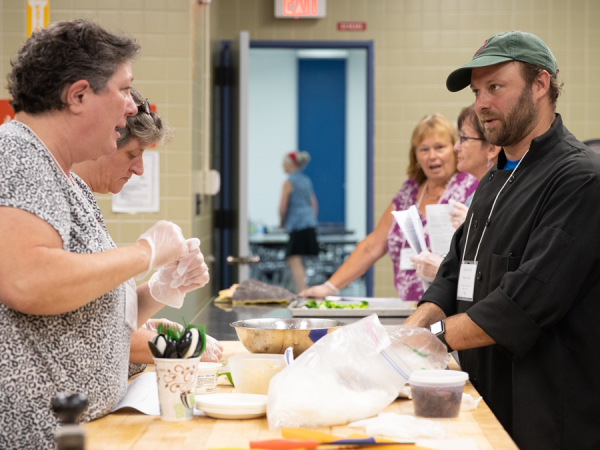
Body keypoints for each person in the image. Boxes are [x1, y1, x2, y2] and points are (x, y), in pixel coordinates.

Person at [0, 20, 203, 449]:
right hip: (31, 433)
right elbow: (28, 281)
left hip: (79, 425)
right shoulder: (17, 154)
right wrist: (144, 252)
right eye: (125, 89)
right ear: (78, 96)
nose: (132, 107)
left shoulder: (65, 176)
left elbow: (81, 298)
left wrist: (159, 288)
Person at [403, 31, 600, 450]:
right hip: (486, 401)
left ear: (540, 85)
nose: (482, 104)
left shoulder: (580, 179)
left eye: (495, 87)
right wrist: (406, 335)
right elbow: (454, 270)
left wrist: (429, 338)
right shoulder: (496, 177)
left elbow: (522, 305)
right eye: (477, 91)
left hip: (548, 416)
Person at [71, 88, 222, 368]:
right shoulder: (56, 197)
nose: (140, 169)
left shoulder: (83, 198)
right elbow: (77, 336)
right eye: (132, 154)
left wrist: (161, 288)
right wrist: (180, 347)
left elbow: (99, 317)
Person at [300, 115, 478, 301]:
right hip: (408, 305)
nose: (432, 156)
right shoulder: (408, 191)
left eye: (440, 147)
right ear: (415, 156)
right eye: (424, 149)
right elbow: (373, 244)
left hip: (451, 306)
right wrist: (329, 287)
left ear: (455, 148)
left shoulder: (470, 188)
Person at [411, 105, 501, 283]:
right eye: (424, 149)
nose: (456, 146)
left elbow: (498, 276)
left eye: (464, 138)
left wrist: (441, 268)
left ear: (491, 148)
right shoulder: (474, 197)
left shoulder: (504, 196)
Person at [279, 151, 319, 292]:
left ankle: (302, 291)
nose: (282, 165)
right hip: (309, 223)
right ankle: (304, 289)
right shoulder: (306, 180)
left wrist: (281, 222)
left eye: (284, 162)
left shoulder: (289, 182)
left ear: (290, 165)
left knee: (294, 259)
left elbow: (283, 206)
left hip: (297, 225)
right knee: (302, 260)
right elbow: (314, 202)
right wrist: (311, 219)